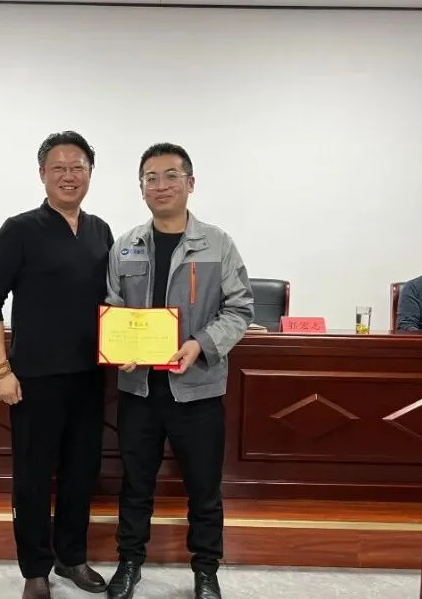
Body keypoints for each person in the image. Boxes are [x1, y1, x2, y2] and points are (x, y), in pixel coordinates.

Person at [104, 143, 254, 599]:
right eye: (151, 177)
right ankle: (129, 563)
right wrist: (118, 346)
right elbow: (112, 305)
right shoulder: (126, 245)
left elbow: (240, 309)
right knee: (136, 485)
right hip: (139, 389)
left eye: (171, 175)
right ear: (141, 189)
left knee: (204, 489)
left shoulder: (218, 243)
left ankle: (206, 571)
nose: (161, 185)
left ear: (190, 183)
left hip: (198, 389)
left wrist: (200, 343)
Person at [0, 131, 113, 599]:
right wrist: (0, 371)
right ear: (42, 174)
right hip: (33, 378)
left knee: (81, 471)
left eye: (78, 167)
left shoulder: (100, 231)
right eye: (59, 167)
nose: (69, 176)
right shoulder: (19, 230)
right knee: (34, 477)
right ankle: (35, 569)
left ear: (90, 173)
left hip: (90, 376)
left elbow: (113, 302)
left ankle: (71, 557)